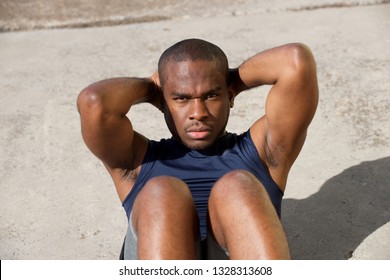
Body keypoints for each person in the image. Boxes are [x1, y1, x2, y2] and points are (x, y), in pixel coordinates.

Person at [77, 38, 318, 260]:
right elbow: (94, 102)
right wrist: (151, 87)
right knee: (163, 191)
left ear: (229, 95)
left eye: (211, 95)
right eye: (181, 98)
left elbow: (295, 61)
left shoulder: (264, 153)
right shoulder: (137, 162)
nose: (198, 113)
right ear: (163, 101)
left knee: (237, 186)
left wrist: (230, 78)